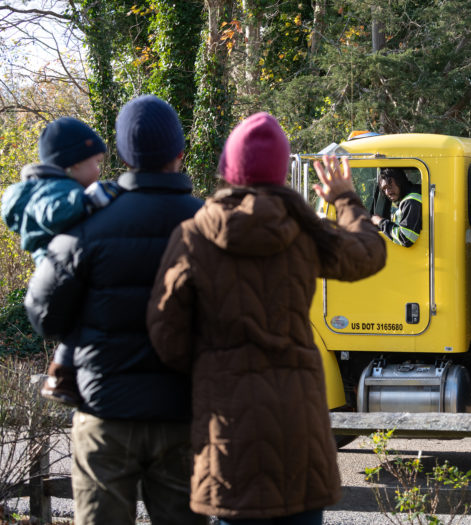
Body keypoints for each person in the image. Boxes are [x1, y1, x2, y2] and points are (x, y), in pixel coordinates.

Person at [146, 112, 387, 524]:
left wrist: (210, 366)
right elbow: (369, 254)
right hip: (299, 427)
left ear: (228, 170)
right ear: (280, 173)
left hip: (228, 428)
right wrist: (344, 198)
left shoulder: (193, 236)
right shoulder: (304, 231)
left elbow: (165, 331)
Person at [24, 95, 205, 525]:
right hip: (183, 412)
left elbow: (42, 315)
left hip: (104, 411)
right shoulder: (209, 223)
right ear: (180, 152)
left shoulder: (87, 223)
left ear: (121, 156)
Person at [1, 117, 119, 406]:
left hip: (59, 269)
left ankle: (66, 376)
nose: (99, 169)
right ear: (72, 165)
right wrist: (90, 200)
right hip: (59, 270)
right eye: (96, 162)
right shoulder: (54, 191)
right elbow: (51, 212)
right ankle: (61, 378)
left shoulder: (46, 187)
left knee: (79, 325)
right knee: (85, 320)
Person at [370, 167, 422, 247]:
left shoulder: (412, 201)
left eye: (390, 186)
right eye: (384, 189)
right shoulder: (409, 198)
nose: (387, 192)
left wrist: (380, 222)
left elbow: (406, 238)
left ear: (400, 182)